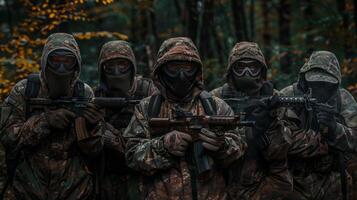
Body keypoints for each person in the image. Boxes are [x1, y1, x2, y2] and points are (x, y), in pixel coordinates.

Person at [124, 37, 246, 200]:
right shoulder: (147, 108)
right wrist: (163, 146)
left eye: (187, 67)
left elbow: (239, 150)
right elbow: (131, 156)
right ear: (162, 70)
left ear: (196, 70)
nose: (181, 75)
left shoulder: (215, 106)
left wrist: (222, 145)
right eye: (174, 67)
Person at [0, 33, 103, 200]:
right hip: (28, 191)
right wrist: (45, 121)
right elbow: (7, 137)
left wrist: (90, 128)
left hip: (75, 191)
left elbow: (95, 151)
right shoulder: (25, 90)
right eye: (55, 61)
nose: (61, 68)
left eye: (67, 61)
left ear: (76, 64)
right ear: (45, 62)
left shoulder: (84, 93)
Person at [210, 42, 293, 199]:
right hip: (223, 181)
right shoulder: (215, 98)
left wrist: (270, 121)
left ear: (261, 70)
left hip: (264, 183)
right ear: (231, 70)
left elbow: (284, 149)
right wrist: (247, 132)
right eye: (240, 67)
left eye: (253, 67)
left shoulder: (274, 99)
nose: (246, 72)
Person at [280, 50, 357, 200]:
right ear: (305, 81)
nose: (321, 90)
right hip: (294, 178)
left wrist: (335, 128)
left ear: (335, 84)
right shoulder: (289, 96)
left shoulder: (343, 99)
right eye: (316, 84)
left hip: (333, 176)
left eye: (326, 85)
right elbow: (278, 140)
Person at [94, 40, 157, 200]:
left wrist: (115, 139)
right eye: (110, 66)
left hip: (142, 175)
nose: (116, 71)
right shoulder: (96, 95)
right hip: (107, 176)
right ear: (102, 69)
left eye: (122, 65)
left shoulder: (148, 91)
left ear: (131, 66)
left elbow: (158, 133)